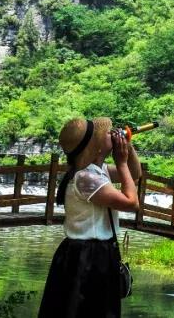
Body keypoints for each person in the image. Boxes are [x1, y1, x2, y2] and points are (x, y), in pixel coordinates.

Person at [39, 117, 141, 318]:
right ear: (97, 147)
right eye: (107, 134)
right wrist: (121, 162)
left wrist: (128, 147)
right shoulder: (86, 178)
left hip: (90, 253)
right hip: (87, 257)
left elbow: (135, 174)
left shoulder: (97, 171)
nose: (112, 133)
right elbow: (132, 203)